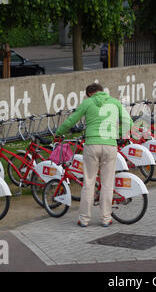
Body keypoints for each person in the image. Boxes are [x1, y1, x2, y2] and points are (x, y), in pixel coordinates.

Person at [55, 83, 132, 227]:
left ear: (90, 94)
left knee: (89, 183)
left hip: (92, 145)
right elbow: (128, 121)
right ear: (102, 91)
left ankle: (84, 219)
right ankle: (105, 218)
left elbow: (72, 120)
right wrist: (122, 135)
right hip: (110, 145)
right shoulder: (115, 102)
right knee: (107, 183)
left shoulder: (87, 103)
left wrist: (58, 133)